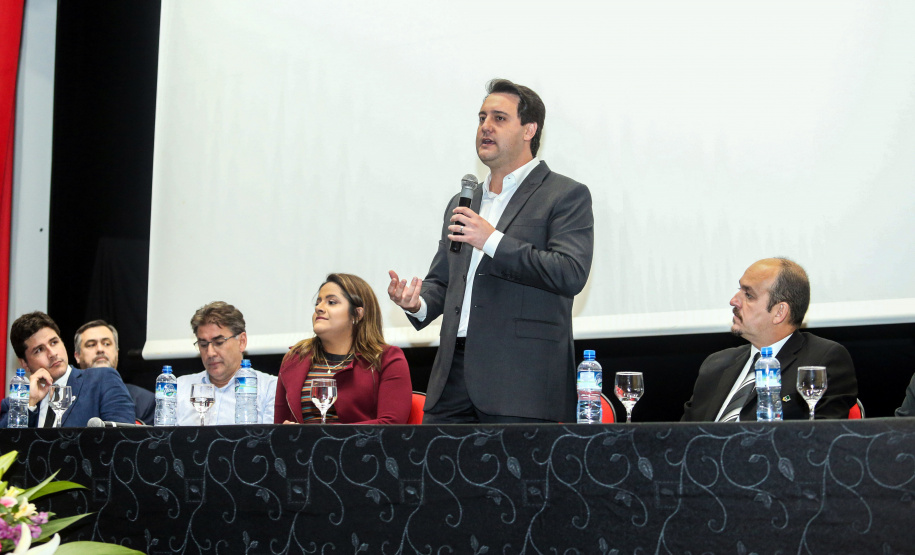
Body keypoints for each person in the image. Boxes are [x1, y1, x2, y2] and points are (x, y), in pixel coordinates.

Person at [387, 78, 594, 423]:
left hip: (520, 383)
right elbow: (444, 281)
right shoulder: (464, 201)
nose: (486, 126)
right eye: (482, 118)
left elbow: (569, 272)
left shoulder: (564, 195)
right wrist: (418, 303)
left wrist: (492, 240)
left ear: (529, 130)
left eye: (499, 118)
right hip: (451, 380)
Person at [682, 258, 858, 422]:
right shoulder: (715, 365)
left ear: (779, 312)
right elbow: (682, 436)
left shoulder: (823, 359)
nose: (733, 301)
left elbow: (821, 437)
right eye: (739, 290)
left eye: (748, 295)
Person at [275, 273, 412, 424]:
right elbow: (278, 427)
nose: (319, 308)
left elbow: (391, 424)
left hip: (362, 441)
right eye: (318, 303)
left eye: (331, 302)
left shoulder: (387, 358)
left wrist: (321, 434)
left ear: (357, 314)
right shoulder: (295, 358)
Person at [0, 311, 135, 427]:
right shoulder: (15, 403)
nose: (52, 353)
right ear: (24, 363)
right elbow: (6, 443)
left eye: (54, 342)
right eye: (39, 350)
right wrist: (29, 403)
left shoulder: (102, 380)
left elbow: (122, 439)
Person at [178, 302, 277, 425]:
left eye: (219, 342)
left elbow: (272, 437)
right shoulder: (180, 388)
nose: (210, 353)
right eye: (203, 344)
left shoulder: (270, 388)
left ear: (242, 342)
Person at [73, 319, 156, 424]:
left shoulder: (145, 401)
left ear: (117, 352)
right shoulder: (65, 399)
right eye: (91, 345)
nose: (100, 349)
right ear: (77, 356)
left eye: (106, 343)